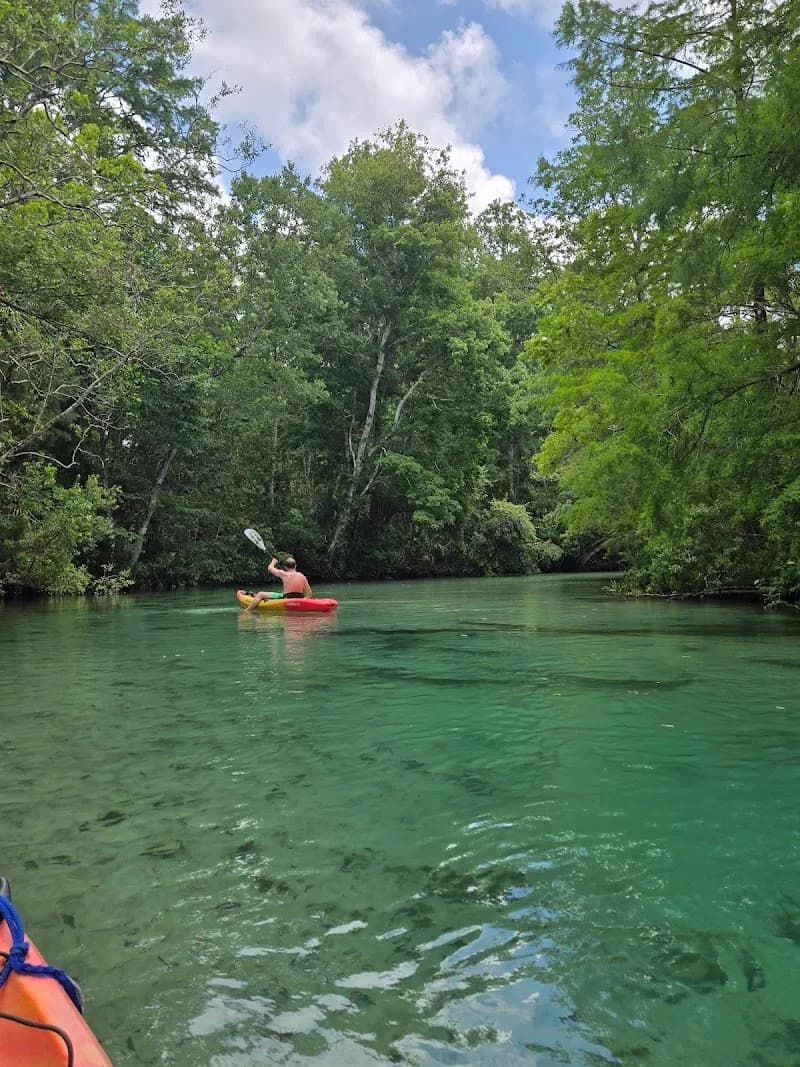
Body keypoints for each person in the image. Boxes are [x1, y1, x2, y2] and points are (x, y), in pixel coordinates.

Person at [242, 556, 312, 610]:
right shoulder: (302, 576)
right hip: (300, 598)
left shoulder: (283, 574)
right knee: (280, 594)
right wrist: (304, 601)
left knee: (260, 594)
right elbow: (309, 593)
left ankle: (247, 610)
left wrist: (273, 561)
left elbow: (270, 568)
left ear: (285, 566)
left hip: (287, 598)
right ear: (295, 565)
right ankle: (255, 597)